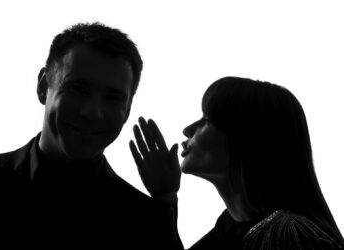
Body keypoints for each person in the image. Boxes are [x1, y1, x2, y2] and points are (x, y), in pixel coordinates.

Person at [0, 22, 183, 249]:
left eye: (112, 98)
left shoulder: (146, 221)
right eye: (78, 89)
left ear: (128, 110)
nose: (92, 112)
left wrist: (166, 202)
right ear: (44, 86)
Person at [130, 76, 344, 249]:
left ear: (246, 138)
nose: (188, 129)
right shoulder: (231, 225)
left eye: (207, 120)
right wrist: (165, 199)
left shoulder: (290, 238)